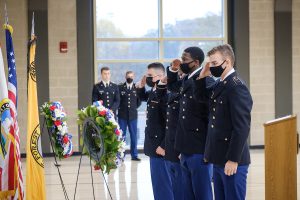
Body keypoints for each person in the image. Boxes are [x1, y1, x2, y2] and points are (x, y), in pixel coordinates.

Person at [194, 44, 253, 200]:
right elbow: (201, 98)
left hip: (232, 161)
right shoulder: (221, 83)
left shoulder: (236, 87)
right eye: (210, 63)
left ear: (227, 62)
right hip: (219, 158)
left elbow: (241, 127)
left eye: (214, 63)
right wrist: (202, 76)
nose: (211, 67)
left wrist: (233, 159)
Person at [166, 47, 214, 200]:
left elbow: (210, 117)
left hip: (199, 148)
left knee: (202, 193)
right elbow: (173, 87)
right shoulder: (187, 79)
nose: (182, 62)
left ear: (196, 62)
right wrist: (173, 70)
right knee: (188, 194)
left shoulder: (205, 80)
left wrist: (208, 151)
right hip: (185, 147)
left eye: (185, 60)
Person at [136, 62, 173, 200]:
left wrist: (164, 145)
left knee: (164, 186)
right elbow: (145, 98)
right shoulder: (155, 91)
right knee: (158, 186)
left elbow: (171, 123)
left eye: (150, 76)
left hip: (161, 148)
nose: (148, 79)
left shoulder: (165, 94)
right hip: (154, 146)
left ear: (160, 76)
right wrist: (140, 87)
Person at [162, 69, 185, 200]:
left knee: (181, 187)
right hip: (171, 146)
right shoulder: (173, 92)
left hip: (180, 147)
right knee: (175, 187)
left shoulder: (186, 91)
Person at [118, 71, 142, 161]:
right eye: (128, 76)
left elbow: (138, 102)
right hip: (122, 115)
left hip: (133, 116)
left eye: (131, 76)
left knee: (134, 136)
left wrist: (133, 108)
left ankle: (134, 155)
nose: (130, 78)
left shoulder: (137, 88)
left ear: (134, 77)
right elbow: (118, 100)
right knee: (121, 136)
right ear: (125, 76)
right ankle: (121, 155)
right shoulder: (120, 87)